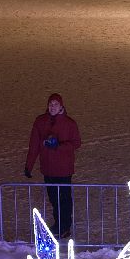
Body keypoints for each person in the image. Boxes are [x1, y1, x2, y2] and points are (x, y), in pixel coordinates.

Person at [24, 93, 82, 239]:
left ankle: (65, 227)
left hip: (64, 169)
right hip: (48, 169)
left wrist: (58, 146)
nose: (53, 107)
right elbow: (34, 145)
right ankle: (58, 224)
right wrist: (28, 165)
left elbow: (76, 143)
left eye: (56, 104)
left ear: (61, 106)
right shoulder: (40, 122)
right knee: (54, 198)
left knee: (64, 199)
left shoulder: (70, 123)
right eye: (51, 104)